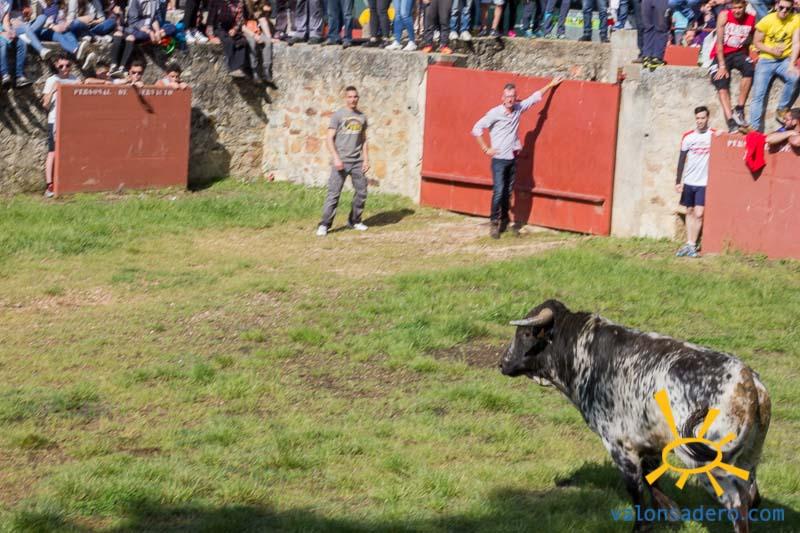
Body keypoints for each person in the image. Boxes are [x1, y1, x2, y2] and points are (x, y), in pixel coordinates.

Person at [471, 77, 563, 239]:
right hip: (499, 160)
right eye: (507, 97)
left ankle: (504, 221)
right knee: (499, 191)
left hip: (512, 159)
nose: (510, 100)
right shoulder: (495, 113)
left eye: (512, 97)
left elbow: (534, 98)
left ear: (515, 98)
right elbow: (476, 128)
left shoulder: (518, 109)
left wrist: (551, 85)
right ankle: (494, 223)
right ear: (502, 98)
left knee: (507, 192)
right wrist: (486, 149)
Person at [316, 86, 370, 237]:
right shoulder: (338, 115)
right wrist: (336, 158)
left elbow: (364, 140)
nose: (353, 99)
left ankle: (355, 221)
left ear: (358, 98)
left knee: (362, 192)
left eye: (355, 97)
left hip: (357, 161)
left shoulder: (362, 117)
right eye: (350, 97)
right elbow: (329, 138)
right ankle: (324, 225)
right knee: (333, 194)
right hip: (341, 161)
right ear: (345, 98)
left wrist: (366, 159)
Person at [748, 0, 799, 132]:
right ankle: (754, 128)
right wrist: (772, 50)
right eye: (781, 7)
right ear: (776, 6)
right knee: (758, 94)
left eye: (787, 9)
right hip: (766, 59)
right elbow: (757, 42)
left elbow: (796, 43)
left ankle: (782, 108)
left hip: (783, 60)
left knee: (795, 77)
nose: (784, 11)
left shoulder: (795, 20)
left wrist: (792, 64)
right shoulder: (767, 20)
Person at [708, 0, 755, 132]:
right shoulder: (724, 16)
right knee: (720, 80)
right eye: (734, 8)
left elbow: (750, 40)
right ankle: (730, 121)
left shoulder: (752, 19)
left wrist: (748, 56)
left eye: (740, 7)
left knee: (750, 68)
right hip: (722, 53)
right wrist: (722, 65)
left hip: (739, 53)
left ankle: (739, 109)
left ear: (745, 7)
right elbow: (719, 43)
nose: (737, 11)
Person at [675, 106, 714, 258]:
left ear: (707, 118)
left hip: (703, 183)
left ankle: (692, 244)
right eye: (697, 118)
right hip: (689, 181)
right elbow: (681, 160)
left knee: (699, 214)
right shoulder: (688, 137)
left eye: (703, 118)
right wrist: (678, 181)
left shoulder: (713, 135)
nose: (700, 121)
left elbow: (725, 139)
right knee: (689, 211)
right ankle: (689, 243)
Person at [42, 53, 80, 198]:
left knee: (70, 151)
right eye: (61, 66)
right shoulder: (51, 80)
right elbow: (45, 105)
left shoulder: (75, 80)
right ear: (56, 66)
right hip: (54, 120)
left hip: (70, 121)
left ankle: (67, 183)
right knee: (52, 152)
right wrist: (54, 90)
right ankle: (49, 186)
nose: (64, 69)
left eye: (67, 65)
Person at [207, 0, 247, 77]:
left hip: (230, 27)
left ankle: (239, 67)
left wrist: (235, 29)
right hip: (218, 27)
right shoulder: (216, 2)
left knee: (242, 40)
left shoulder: (239, 2)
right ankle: (232, 68)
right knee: (228, 41)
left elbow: (239, 19)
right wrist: (211, 36)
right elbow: (210, 20)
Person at [1, 0, 32, 87]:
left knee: (22, 42)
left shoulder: (5, 3)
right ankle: (5, 75)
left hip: (2, 30)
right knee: (2, 44)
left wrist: (9, 31)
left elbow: (5, 21)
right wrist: (1, 33)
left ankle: (20, 77)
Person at [242, 0, 273, 83]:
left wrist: (269, 37)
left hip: (256, 29)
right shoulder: (243, 4)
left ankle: (266, 71)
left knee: (267, 41)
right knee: (252, 43)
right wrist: (254, 35)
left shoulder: (259, 4)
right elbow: (241, 26)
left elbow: (262, 21)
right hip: (245, 30)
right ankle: (254, 71)